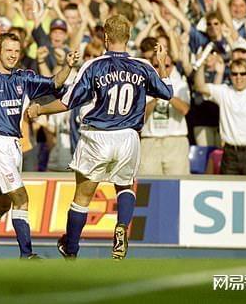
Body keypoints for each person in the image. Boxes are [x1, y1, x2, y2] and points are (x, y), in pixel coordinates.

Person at [28, 15, 174, 260]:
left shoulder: (94, 66)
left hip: (98, 136)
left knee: (83, 196)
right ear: (128, 37)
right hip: (128, 136)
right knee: (125, 186)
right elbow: (167, 93)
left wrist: (40, 110)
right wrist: (161, 64)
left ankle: (71, 248)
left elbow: (67, 102)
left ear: (106, 38)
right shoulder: (142, 66)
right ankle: (121, 226)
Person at [0, 32, 78, 259]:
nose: (13, 55)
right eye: (8, 50)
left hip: (15, 145)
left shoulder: (23, 78)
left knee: (1, 204)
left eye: (17, 51)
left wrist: (67, 66)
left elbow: (55, 83)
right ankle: (26, 254)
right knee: (21, 198)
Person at [194, 51, 246, 176]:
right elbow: (200, 87)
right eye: (234, 74)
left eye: (243, 73)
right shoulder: (224, 91)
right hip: (230, 154)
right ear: (230, 75)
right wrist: (202, 64)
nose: (239, 77)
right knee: (228, 188)